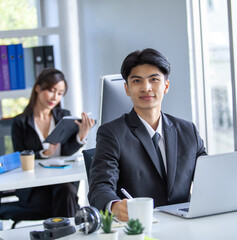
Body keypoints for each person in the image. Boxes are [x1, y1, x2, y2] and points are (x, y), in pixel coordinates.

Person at [88, 48, 207, 221]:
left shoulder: (188, 131)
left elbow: (209, 178)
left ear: (166, 86)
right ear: (127, 89)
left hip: (184, 224)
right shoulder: (111, 134)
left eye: (154, 79)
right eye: (137, 81)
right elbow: (100, 187)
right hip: (140, 227)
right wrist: (114, 206)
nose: (146, 88)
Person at [12, 68, 95, 217]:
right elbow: (19, 156)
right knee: (67, 197)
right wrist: (45, 153)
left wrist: (81, 135)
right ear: (38, 88)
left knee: (66, 192)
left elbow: (66, 150)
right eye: (51, 90)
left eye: (60, 93)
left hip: (60, 181)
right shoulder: (20, 122)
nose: (55, 97)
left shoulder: (64, 116)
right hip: (34, 187)